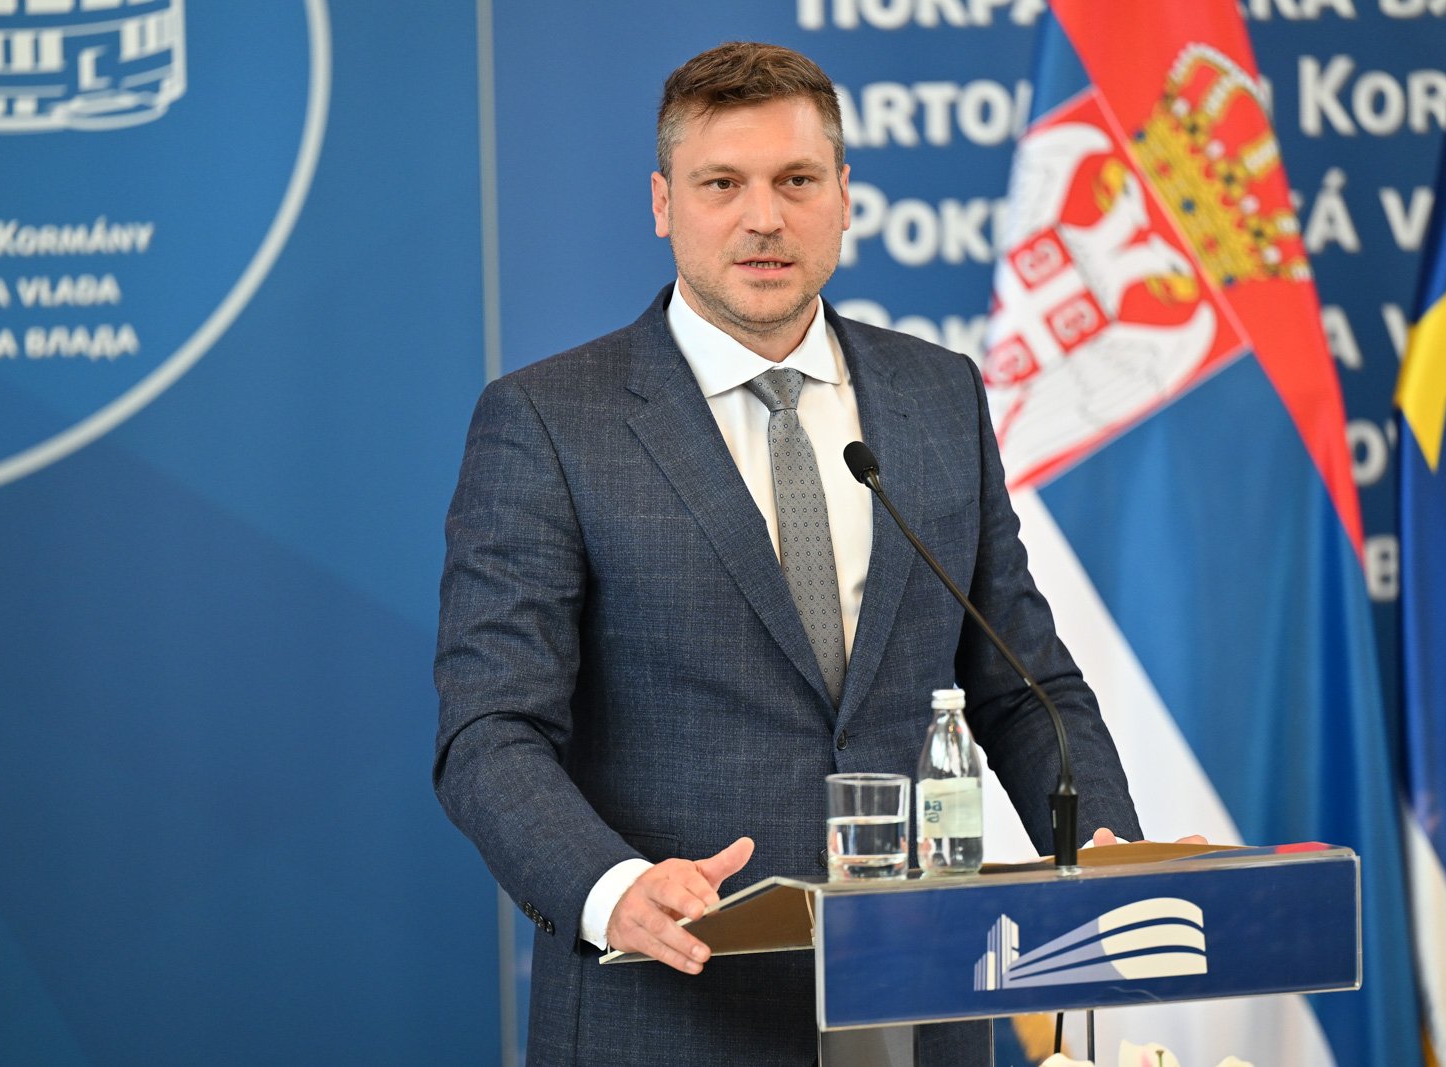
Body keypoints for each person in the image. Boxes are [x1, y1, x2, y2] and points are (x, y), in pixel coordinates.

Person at [434, 41, 1142, 1067]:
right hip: (672, 1007)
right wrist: (612, 886)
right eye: (721, 183)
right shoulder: (550, 421)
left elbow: (1024, 685)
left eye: (796, 181)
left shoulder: (939, 394)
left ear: (844, 196)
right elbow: (489, 728)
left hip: (923, 1002)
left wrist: (1107, 848)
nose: (763, 218)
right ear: (662, 203)